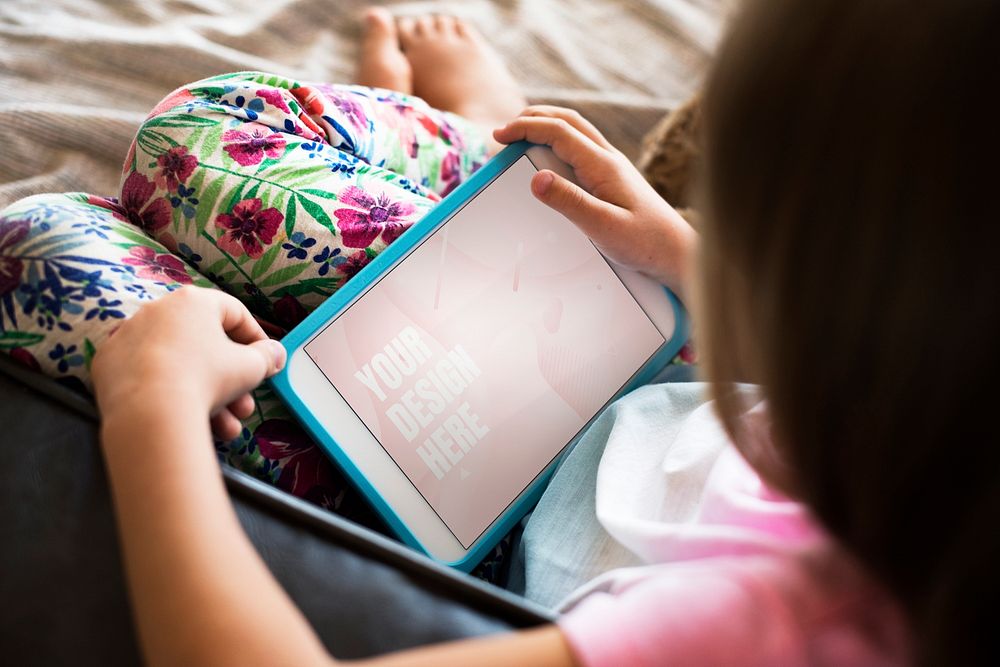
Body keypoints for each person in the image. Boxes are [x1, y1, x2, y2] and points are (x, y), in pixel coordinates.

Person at [11, 0, 1000, 664]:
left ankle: (476, 163)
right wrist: (692, 265)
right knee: (194, 145)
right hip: (658, 361)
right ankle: (487, 146)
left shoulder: (773, 627)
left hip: (468, 534)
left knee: (39, 250)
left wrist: (152, 414)